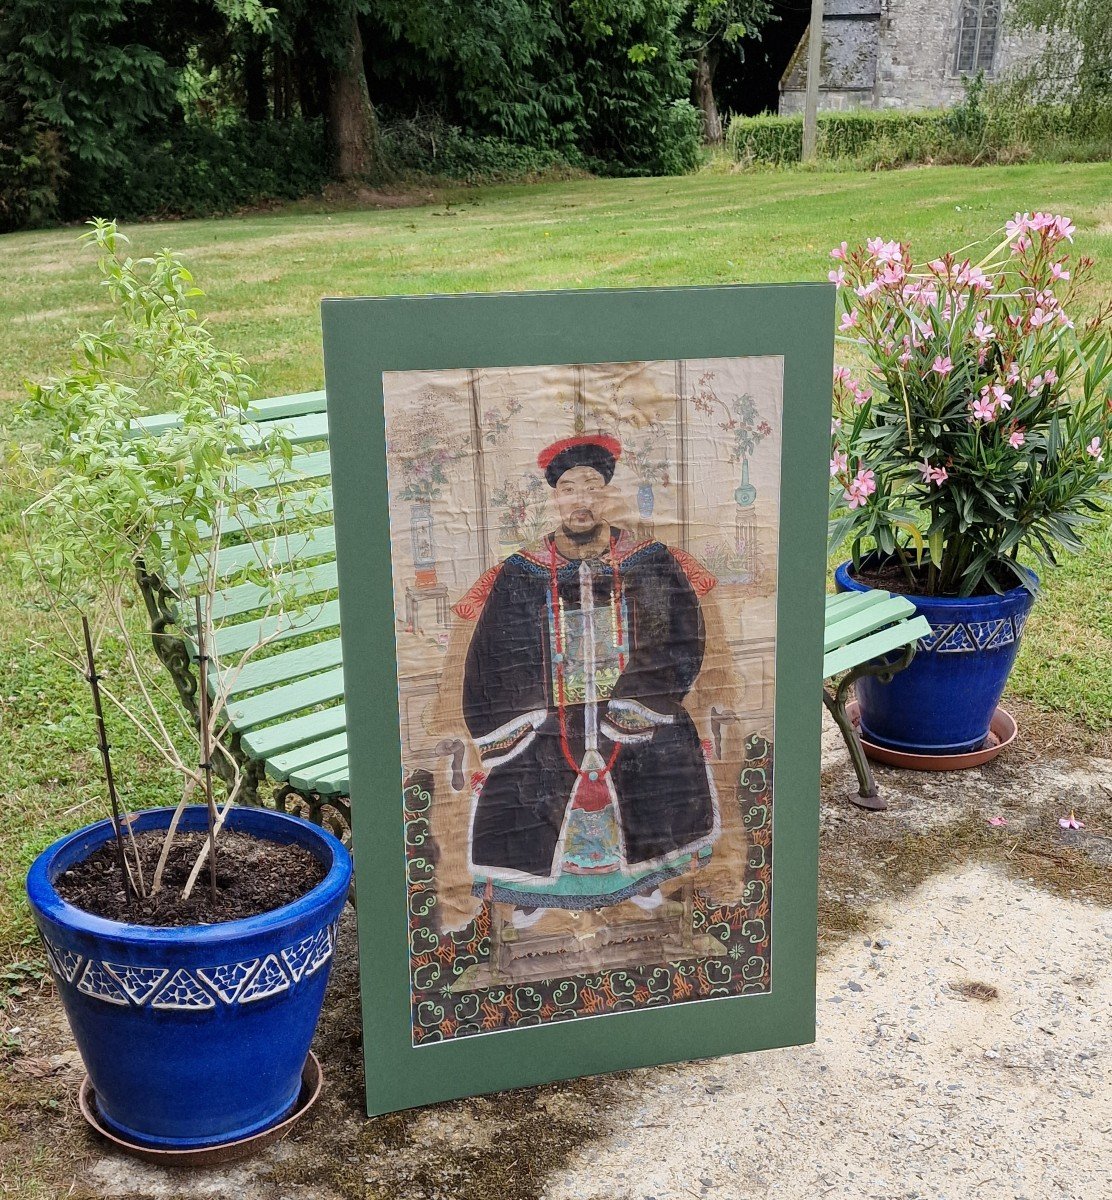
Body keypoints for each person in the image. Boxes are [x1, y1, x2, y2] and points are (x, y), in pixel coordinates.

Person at [457, 434, 720, 918]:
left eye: (592, 487)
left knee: (656, 757)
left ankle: (640, 876)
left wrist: (636, 701)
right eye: (570, 489)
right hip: (545, 713)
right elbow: (495, 655)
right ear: (554, 497)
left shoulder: (648, 562)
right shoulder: (522, 572)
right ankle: (534, 890)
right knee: (528, 772)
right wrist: (529, 714)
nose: (581, 500)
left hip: (633, 705)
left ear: (607, 494)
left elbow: (676, 638)